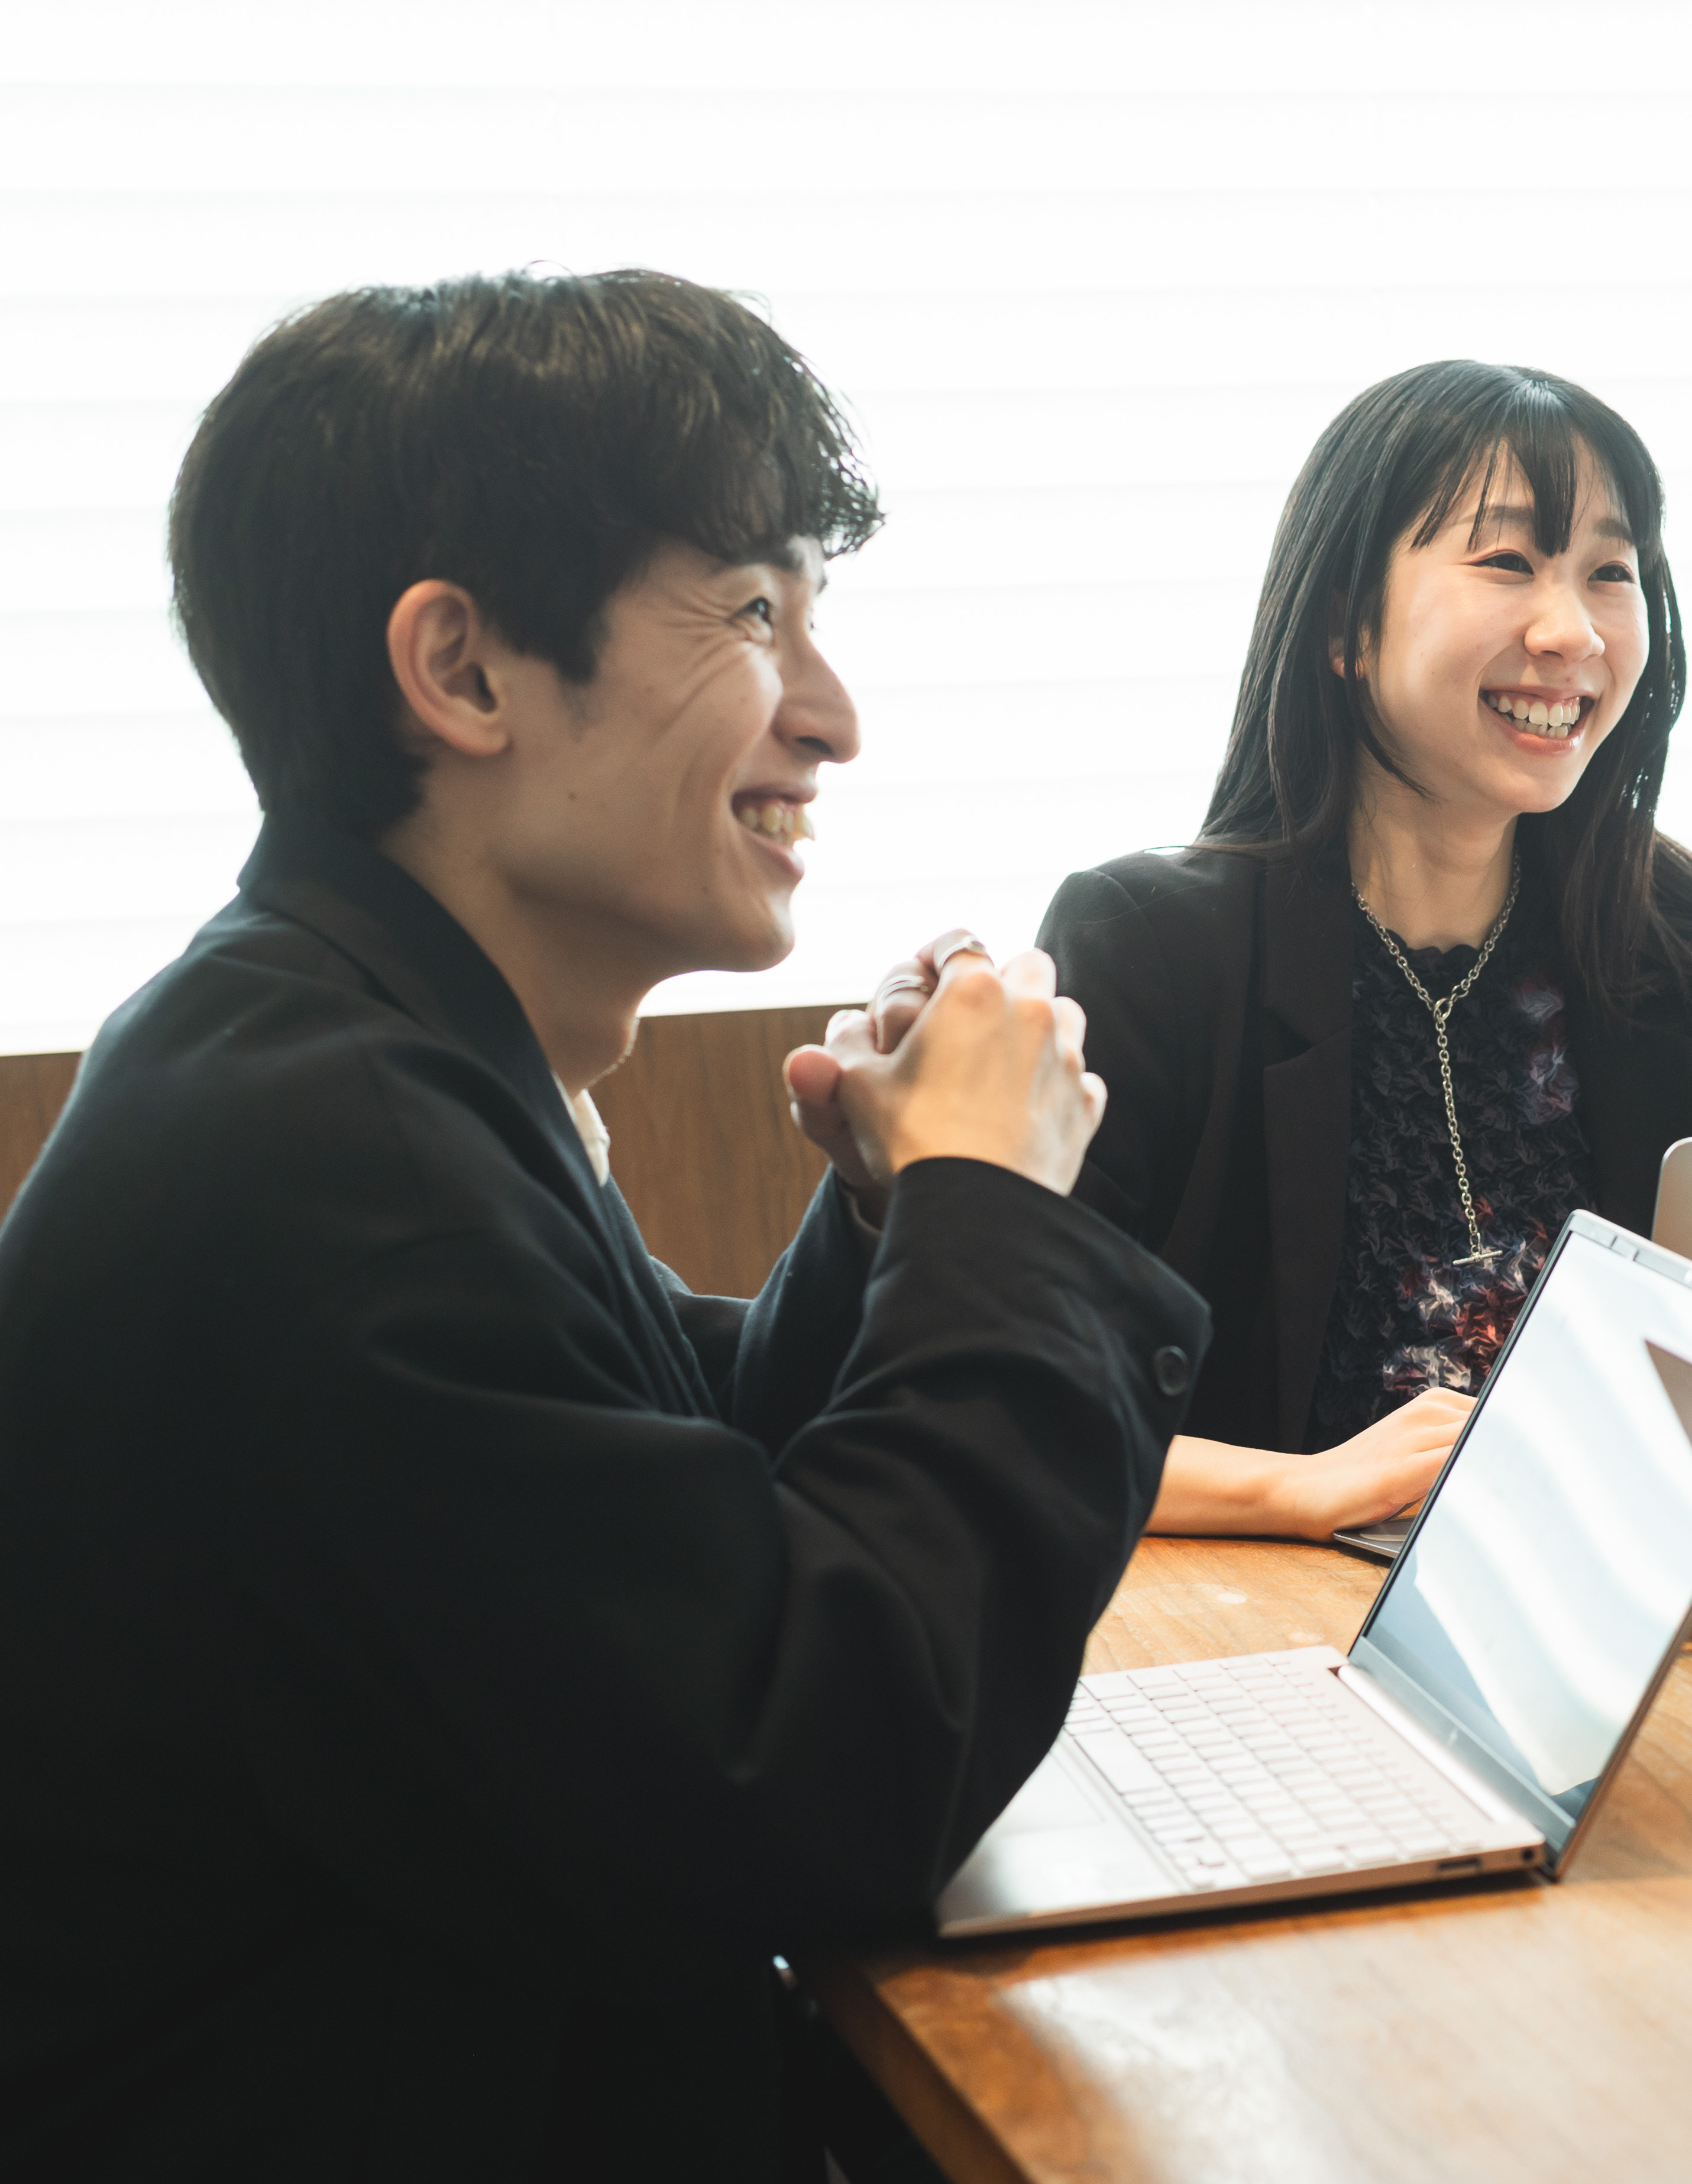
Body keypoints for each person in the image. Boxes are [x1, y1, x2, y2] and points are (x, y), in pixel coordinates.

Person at [0, 270, 1205, 2180]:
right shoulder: (343, 1173)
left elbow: (651, 1491)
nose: (835, 718)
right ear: (464, 671)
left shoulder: (325, 1045)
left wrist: (886, 1211)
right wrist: (984, 1203)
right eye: (754, 615)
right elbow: (811, 1791)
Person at [1027, 360, 1692, 1537]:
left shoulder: (1671, 951)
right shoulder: (1151, 950)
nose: (1572, 631)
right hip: (1267, 1610)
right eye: (1509, 561)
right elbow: (1009, 1409)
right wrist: (1297, 1485)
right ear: (1343, 624)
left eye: (1610, 573)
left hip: (1597, 1582)